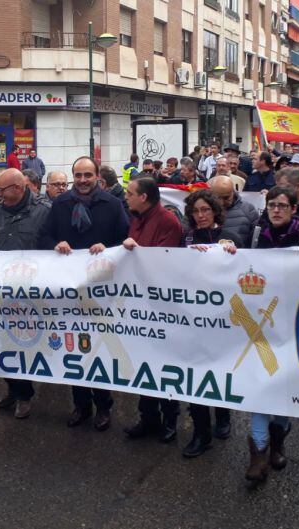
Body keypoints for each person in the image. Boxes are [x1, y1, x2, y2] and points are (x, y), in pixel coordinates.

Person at [40, 156, 129, 431]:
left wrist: (109, 247)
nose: (82, 181)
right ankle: (80, 404)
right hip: (69, 291)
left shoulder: (112, 205)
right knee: (75, 346)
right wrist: (57, 244)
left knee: (98, 349)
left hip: (101, 290)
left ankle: (103, 406)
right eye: (77, 175)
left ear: (97, 176)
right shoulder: (61, 204)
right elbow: (43, 236)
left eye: (87, 175)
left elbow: (125, 239)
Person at [246, 186, 299, 481]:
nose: (276, 210)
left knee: (280, 389)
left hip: (292, 328)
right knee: (258, 389)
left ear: (293, 209)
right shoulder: (256, 235)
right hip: (259, 325)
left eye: (282, 205)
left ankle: (277, 443)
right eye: (271, 205)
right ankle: (258, 455)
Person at [120, 178, 183, 443]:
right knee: (143, 364)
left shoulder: (168, 221)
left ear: (144, 197)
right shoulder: (137, 218)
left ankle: (170, 419)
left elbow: (164, 262)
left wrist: (138, 251)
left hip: (161, 306)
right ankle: (148, 417)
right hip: (140, 304)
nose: (127, 197)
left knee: (163, 364)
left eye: (130, 193)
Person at [180, 189, 242, 457]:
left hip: (222, 319)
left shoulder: (231, 237)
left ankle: (224, 416)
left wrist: (230, 252)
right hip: (194, 318)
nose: (201, 215)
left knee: (220, 370)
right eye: (196, 211)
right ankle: (201, 432)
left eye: (205, 210)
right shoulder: (187, 238)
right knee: (196, 374)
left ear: (215, 211)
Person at [0, 169, 51, 419]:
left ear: (19, 188)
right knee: (3, 343)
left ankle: (24, 394)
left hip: (32, 293)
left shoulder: (43, 211)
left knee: (26, 345)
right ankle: (14, 387)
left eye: (3, 190)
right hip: (2, 291)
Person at [209, 175, 258, 245]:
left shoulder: (248, 210)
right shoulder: (204, 211)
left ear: (233, 192)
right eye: (217, 198)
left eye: (226, 198)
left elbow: (257, 238)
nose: (222, 202)